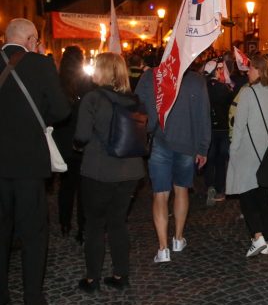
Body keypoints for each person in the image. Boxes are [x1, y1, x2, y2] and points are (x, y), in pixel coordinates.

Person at [0, 18, 70, 305]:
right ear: (31, 40)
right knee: (33, 235)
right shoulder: (40, 65)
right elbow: (62, 110)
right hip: (29, 164)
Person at [74, 53, 145, 292]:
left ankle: (92, 279)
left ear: (102, 71)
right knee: (118, 222)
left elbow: (82, 135)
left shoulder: (93, 98)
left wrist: (77, 145)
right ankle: (120, 274)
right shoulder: (134, 100)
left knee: (94, 224)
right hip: (131, 171)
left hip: (99, 170)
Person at [136, 66, 211, 263]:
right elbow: (204, 115)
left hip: (159, 139)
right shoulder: (196, 80)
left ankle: (163, 248)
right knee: (181, 189)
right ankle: (178, 238)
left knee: (160, 194)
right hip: (187, 141)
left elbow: (138, 107)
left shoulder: (151, 76)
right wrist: (203, 147)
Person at [226, 54, 268, 256]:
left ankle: (257, 236)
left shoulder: (248, 93)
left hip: (249, 150)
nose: (248, 72)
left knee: (246, 194)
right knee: (265, 195)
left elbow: (239, 126)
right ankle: (265, 240)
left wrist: (233, 151)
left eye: (251, 68)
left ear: (260, 70)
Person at [53, 45, 93, 242]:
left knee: (66, 185)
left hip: (63, 140)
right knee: (83, 187)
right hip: (83, 140)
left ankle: (64, 223)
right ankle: (82, 228)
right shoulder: (87, 82)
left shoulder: (57, 82)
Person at [204, 60, 234, 206]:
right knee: (221, 161)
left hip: (208, 128)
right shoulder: (224, 88)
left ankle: (209, 186)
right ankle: (219, 188)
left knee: (209, 160)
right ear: (216, 71)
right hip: (223, 129)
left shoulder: (203, 87)